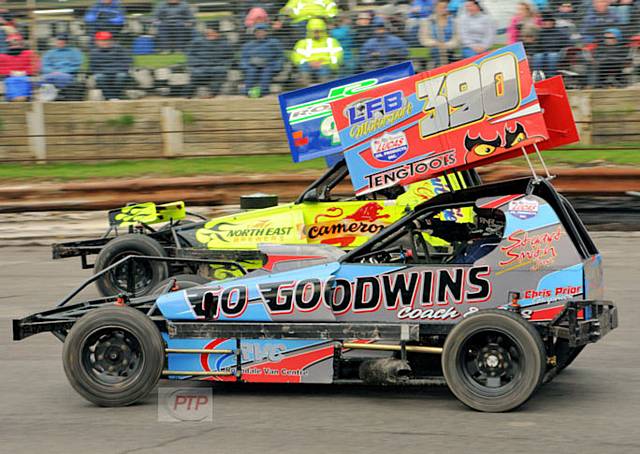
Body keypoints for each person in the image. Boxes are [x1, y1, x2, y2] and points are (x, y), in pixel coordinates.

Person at [291, 18, 343, 84]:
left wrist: (323, 62)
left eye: (319, 31)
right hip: (307, 65)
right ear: (309, 31)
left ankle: (323, 90)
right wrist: (309, 62)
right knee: (304, 68)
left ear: (324, 30)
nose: (317, 33)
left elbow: (337, 57)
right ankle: (306, 90)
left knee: (323, 71)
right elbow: (297, 57)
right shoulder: (302, 43)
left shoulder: (332, 41)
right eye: (314, 31)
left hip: (326, 66)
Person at [186, 23, 230, 97]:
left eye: (213, 32)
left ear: (218, 33)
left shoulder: (224, 44)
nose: (210, 34)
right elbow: (190, 55)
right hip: (201, 68)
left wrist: (222, 67)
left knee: (218, 78)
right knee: (194, 79)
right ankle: (186, 97)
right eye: (208, 33)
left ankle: (211, 95)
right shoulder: (197, 42)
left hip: (217, 69)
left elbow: (228, 58)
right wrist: (196, 66)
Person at [240, 24, 283, 97]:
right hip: (252, 66)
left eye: (262, 31)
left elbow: (280, 55)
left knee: (266, 72)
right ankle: (248, 91)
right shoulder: (248, 45)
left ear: (266, 32)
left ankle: (262, 92)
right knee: (251, 72)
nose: (259, 33)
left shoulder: (273, 42)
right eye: (257, 32)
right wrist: (246, 66)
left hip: (269, 65)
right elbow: (244, 58)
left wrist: (276, 66)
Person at [89, 31, 131, 100]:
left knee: (121, 75)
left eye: (108, 40)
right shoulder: (94, 52)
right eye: (102, 40)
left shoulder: (119, 49)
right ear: (96, 42)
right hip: (103, 73)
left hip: (117, 72)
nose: (105, 42)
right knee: (99, 77)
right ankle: (111, 98)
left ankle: (115, 97)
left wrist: (114, 70)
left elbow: (127, 61)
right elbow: (93, 67)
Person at [419, 0, 459, 66]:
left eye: (445, 7)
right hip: (435, 49)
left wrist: (447, 45)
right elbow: (424, 39)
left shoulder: (453, 22)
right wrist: (435, 43)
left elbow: (456, 39)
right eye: (441, 7)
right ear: (435, 8)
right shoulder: (428, 21)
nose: (444, 9)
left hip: (449, 50)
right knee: (437, 51)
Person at [0, 34, 39, 101]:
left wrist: (24, 72)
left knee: (24, 80)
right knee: (12, 80)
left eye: (17, 41)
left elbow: (35, 66)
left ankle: (22, 98)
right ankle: (16, 99)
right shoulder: (2, 56)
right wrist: (11, 72)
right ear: (8, 44)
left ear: (21, 43)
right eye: (12, 42)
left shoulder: (29, 53)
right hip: (10, 77)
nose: (15, 44)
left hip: (26, 77)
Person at [531, 13, 570, 77]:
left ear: (553, 22)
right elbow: (536, 45)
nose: (547, 23)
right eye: (545, 21)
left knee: (552, 56)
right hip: (543, 53)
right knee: (538, 56)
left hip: (557, 53)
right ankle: (538, 78)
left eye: (549, 21)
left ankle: (551, 77)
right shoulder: (540, 33)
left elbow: (567, 43)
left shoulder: (560, 32)